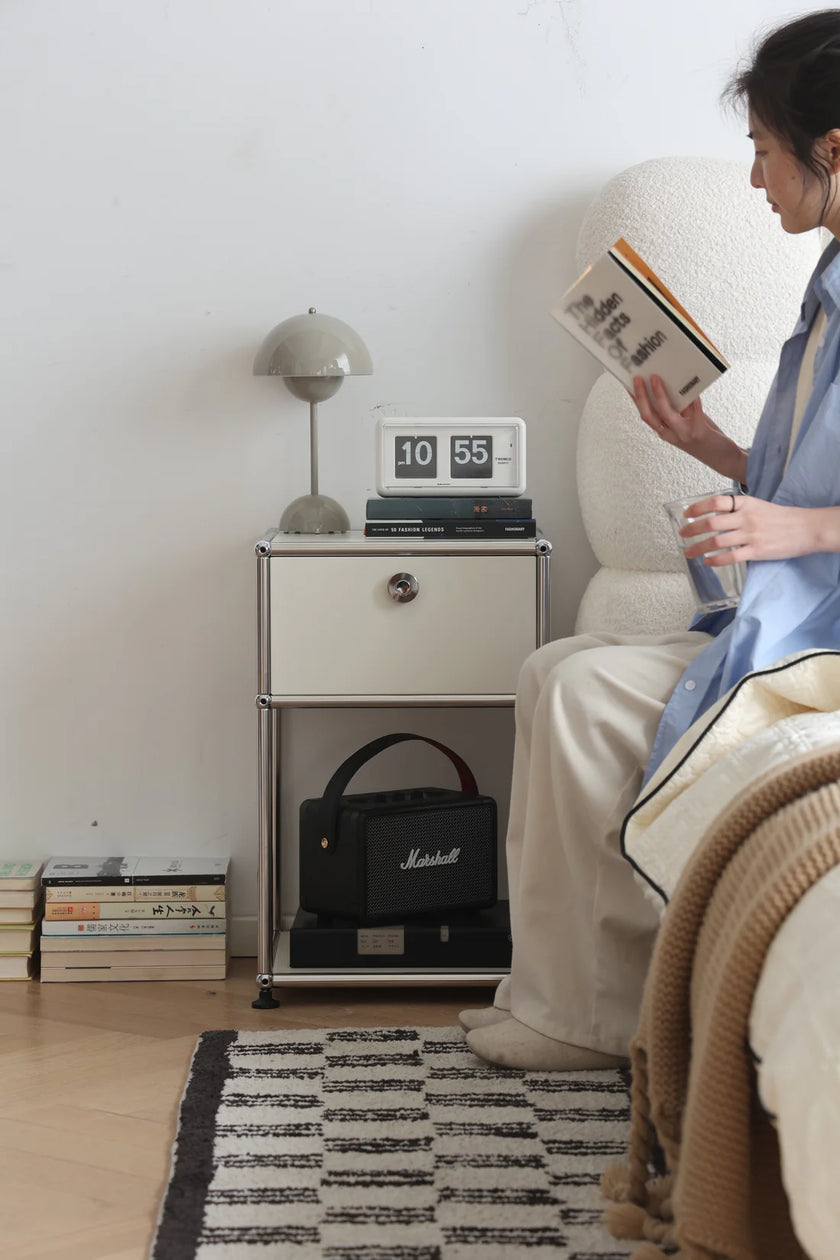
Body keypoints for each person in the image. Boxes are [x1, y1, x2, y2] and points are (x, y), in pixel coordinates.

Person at [461, 10, 840, 1072]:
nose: (757, 178)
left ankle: (600, 1021)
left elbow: (811, 514)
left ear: (834, 151)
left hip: (824, 645)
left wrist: (794, 526)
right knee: (554, 672)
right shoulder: (829, 290)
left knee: (584, 695)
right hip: (799, 621)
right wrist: (713, 446)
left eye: (765, 150)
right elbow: (806, 481)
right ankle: (556, 997)